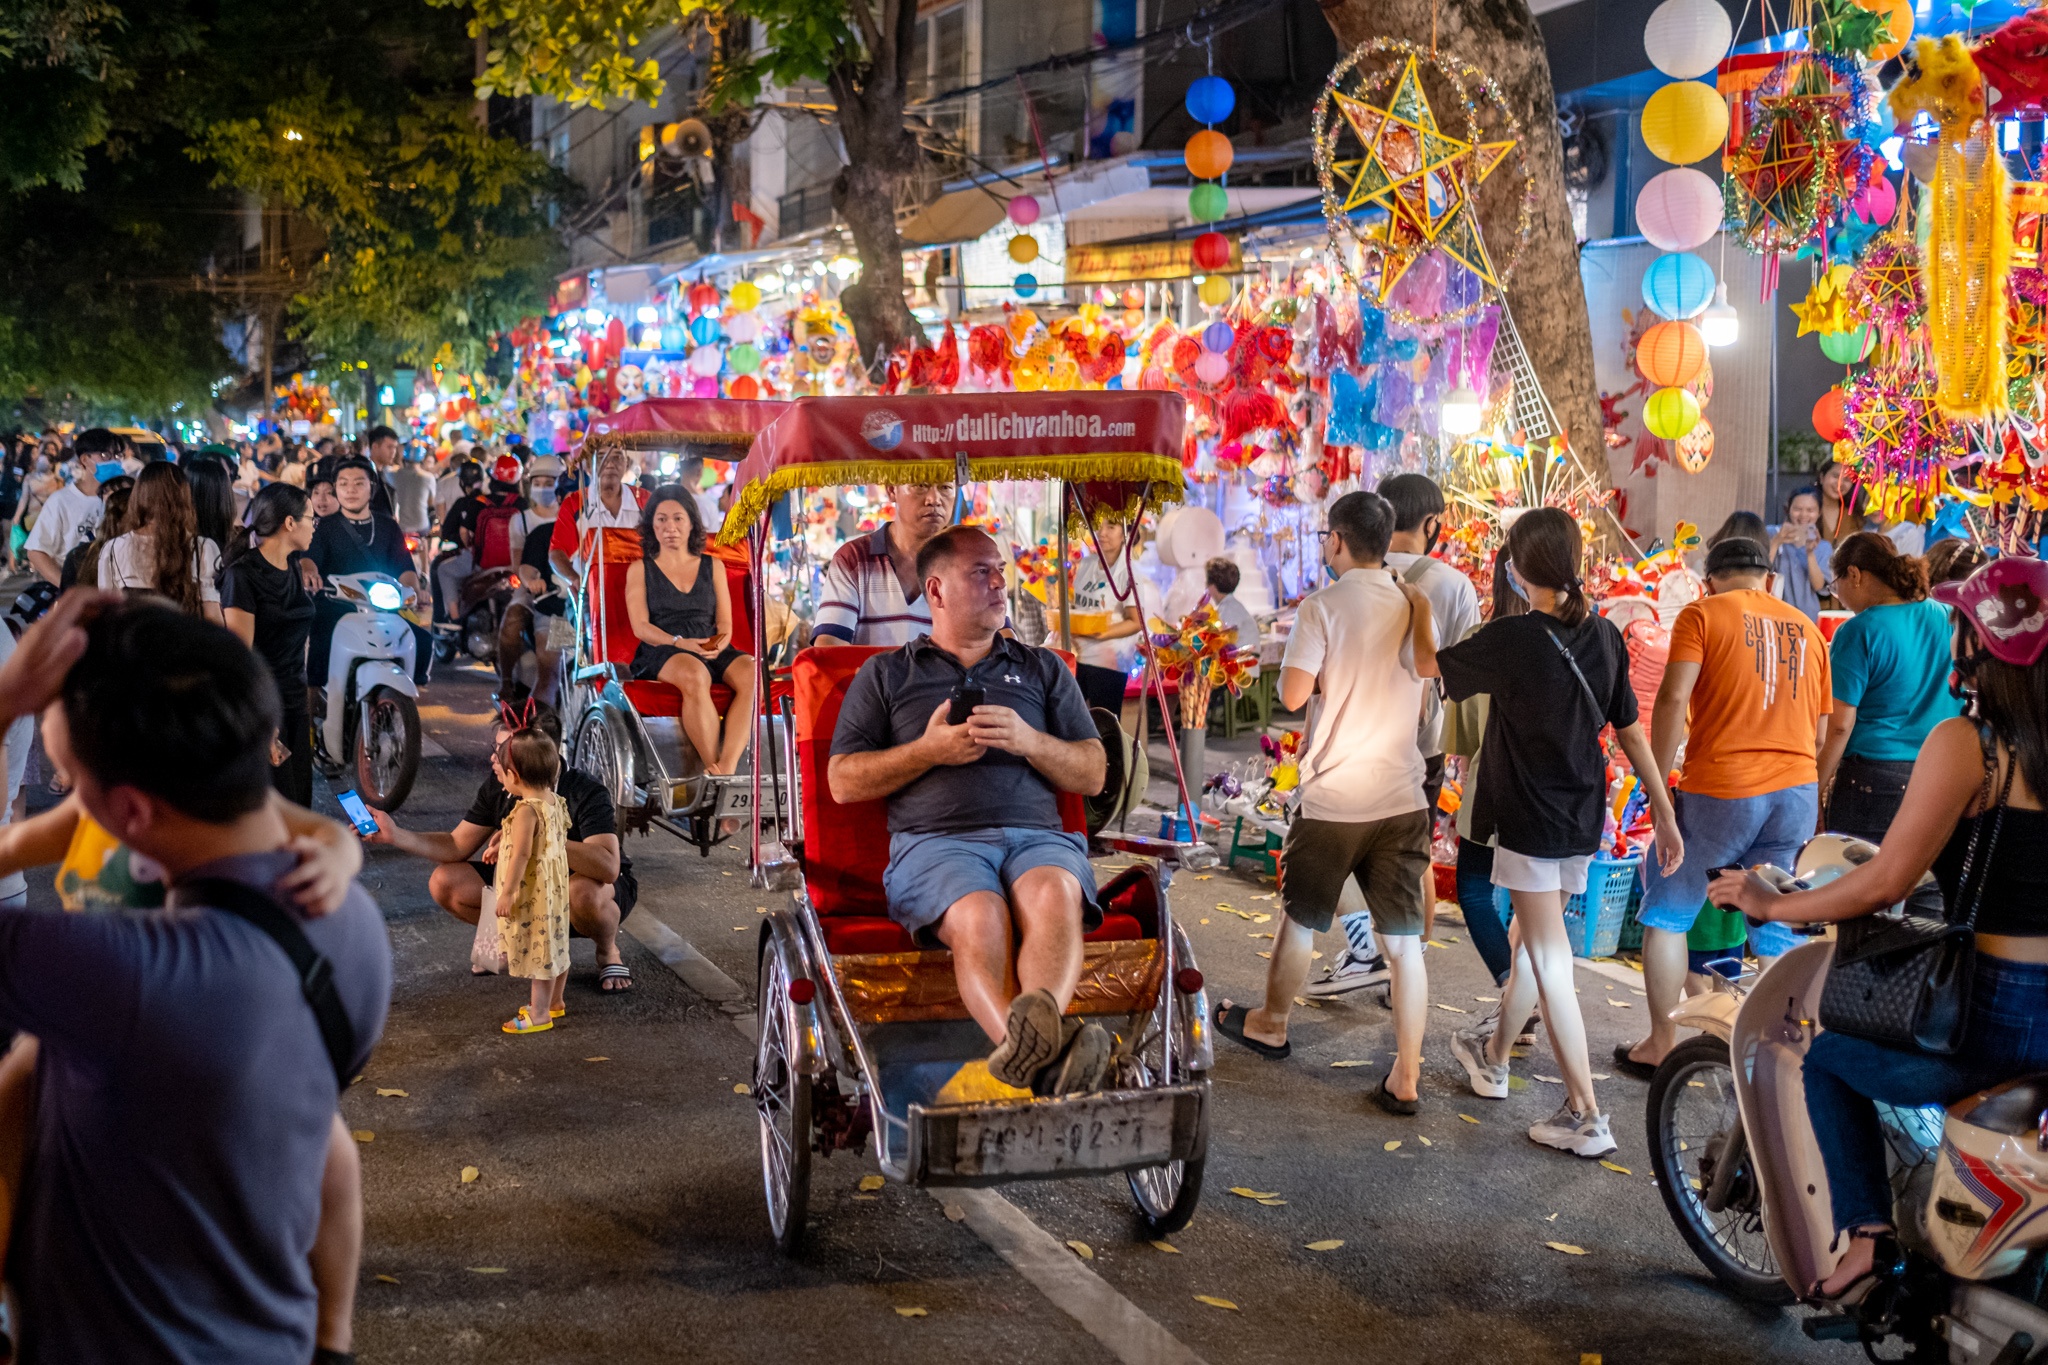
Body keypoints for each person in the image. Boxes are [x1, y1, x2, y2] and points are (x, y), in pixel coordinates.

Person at [0, 593, 390, 1362]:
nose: (65, 798)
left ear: (132, 812)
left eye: (70, 779)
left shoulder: (119, 976)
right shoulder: (354, 929)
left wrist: (6, 701)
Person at [1707, 552, 2048, 1302]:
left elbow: (1888, 878)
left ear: (1980, 647)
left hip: (1992, 1022)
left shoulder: (1974, 746)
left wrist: (1769, 905)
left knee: (1824, 1056)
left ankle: (1868, 1239)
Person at [828, 526, 1111, 1094]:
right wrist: (928, 752)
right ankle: (1050, 1060)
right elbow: (842, 781)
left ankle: (1031, 1052)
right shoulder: (886, 674)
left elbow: (1094, 772)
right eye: (981, 572)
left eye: (1000, 570)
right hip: (936, 844)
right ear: (936, 591)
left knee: (1055, 892)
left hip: (1037, 839)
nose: (999, 583)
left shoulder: (1041, 667)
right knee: (981, 916)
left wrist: (1030, 741)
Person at [1439, 509, 1682, 1156]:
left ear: (1517, 568)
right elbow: (1630, 729)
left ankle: (1587, 1113)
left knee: (1549, 959)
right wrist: (1662, 807)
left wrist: (1411, 598)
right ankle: (1492, 1056)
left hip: (1528, 817)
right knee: (1529, 945)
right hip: (1583, 816)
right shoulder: (1604, 634)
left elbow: (1427, 666)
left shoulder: (1513, 636)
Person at [1213, 492, 1441, 1113]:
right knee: (1403, 944)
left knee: (1302, 916)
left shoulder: (1322, 607)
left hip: (1336, 796)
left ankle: (1271, 1023)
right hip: (1401, 793)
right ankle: (1408, 1075)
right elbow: (1423, 689)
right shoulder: (1412, 604)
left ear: (1337, 541)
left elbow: (1290, 695)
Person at [1620, 534, 1832, 1076]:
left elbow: (1670, 697)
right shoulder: (1809, 629)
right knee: (1776, 920)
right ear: (1768, 579)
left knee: (1668, 914)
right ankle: (1781, 1055)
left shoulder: (1702, 614)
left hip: (1724, 788)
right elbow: (1824, 726)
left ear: (1710, 579)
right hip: (1797, 791)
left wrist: (1658, 782)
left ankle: (1661, 1043)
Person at [1311, 472, 1485, 995]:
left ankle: (1366, 947)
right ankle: (1406, 970)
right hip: (1419, 746)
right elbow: (1465, 676)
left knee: (1333, 848)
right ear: (1432, 523)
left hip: (1343, 743)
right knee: (1414, 862)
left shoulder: (1345, 578)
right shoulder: (1453, 585)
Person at [369, 706, 637, 993]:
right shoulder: (501, 785)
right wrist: (396, 835)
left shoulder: (585, 790)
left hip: (581, 889)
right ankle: (513, 942)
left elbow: (609, 867)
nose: (492, 759)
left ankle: (607, 951)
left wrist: (541, 838)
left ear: (537, 756)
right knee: (444, 882)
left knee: (583, 893)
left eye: (501, 751)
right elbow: (457, 843)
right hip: (531, 885)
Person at [1813, 533, 1958, 843]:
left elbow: (1839, 727)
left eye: (1834, 586)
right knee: (1922, 882)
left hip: (1873, 781)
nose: (1838, 597)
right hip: (1940, 772)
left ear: (1853, 574)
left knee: (1857, 879)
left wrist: (1814, 792)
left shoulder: (1858, 631)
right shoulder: (1947, 617)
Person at [625, 486, 755, 775]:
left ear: (692, 523)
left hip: (709, 642)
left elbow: (725, 623)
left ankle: (727, 767)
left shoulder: (714, 565)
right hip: (663, 647)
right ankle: (713, 768)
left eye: (677, 518)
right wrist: (680, 643)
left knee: (752, 673)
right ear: (651, 526)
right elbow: (641, 627)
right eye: (661, 519)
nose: (669, 527)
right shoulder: (639, 569)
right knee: (696, 675)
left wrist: (719, 644)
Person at [224, 484, 319, 805]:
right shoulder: (242, 576)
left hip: (295, 701)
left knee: (298, 802)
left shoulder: (293, 565)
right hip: (265, 707)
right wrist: (263, 724)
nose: (314, 526)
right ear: (289, 523)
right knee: (273, 809)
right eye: (311, 518)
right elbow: (239, 657)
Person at [304, 457, 423, 685]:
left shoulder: (388, 525)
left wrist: (414, 591)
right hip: (336, 605)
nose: (351, 490)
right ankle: (313, 708)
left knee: (419, 639)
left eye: (359, 483)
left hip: (382, 607)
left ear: (372, 488)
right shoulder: (324, 526)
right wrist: (309, 571)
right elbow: (310, 559)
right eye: (343, 484)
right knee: (320, 645)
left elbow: (405, 568)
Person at [490, 725, 572, 1035]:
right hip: (554, 891)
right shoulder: (553, 801)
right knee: (556, 944)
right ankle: (555, 1001)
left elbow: (523, 854)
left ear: (514, 775)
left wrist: (508, 892)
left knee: (541, 953)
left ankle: (539, 1014)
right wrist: (502, 840)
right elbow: (543, 841)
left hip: (533, 891)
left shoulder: (526, 810)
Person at [812, 481, 957, 649]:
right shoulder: (854, 559)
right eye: (920, 486)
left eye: (945, 487)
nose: (934, 499)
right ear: (891, 490)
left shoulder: (964, 564)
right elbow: (830, 646)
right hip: (868, 675)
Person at [97, 461, 225, 624]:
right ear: (183, 496)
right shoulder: (203, 548)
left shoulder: (113, 548)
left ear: (139, 496)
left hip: (134, 644)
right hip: (185, 645)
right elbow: (212, 616)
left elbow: (108, 612)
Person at [1046, 511, 1145, 714]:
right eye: (1100, 525)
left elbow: (1136, 622)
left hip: (1108, 661)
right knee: (1069, 718)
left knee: (1103, 723)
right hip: (1078, 656)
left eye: (1111, 527)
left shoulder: (1128, 571)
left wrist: (1101, 633)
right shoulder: (1087, 564)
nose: (1102, 532)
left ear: (1125, 533)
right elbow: (1082, 607)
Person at [549, 447, 649, 586]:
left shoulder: (645, 500)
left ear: (626, 464)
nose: (609, 464)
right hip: (592, 592)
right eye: (601, 457)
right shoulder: (574, 504)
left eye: (617, 457)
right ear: (589, 467)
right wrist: (574, 579)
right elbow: (557, 553)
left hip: (640, 590)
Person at [22, 431, 110, 584]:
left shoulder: (125, 499)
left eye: (118, 456)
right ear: (84, 459)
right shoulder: (62, 500)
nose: (113, 461)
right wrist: (68, 588)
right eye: (105, 455)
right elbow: (36, 551)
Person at [61, 473, 132, 590]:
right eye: (105, 492)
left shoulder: (148, 548)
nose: (110, 496)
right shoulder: (81, 555)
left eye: (121, 493)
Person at [1771, 488, 1831, 621]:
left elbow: (1818, 586)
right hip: (1774, 614)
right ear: (1788, 509)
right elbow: (1760, 573)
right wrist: (1775, 543)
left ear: (1819, 513)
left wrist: (1810, 553)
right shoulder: (1771, 533)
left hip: (1808, 617)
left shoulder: (1823, 547)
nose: (1804, 515)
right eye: (1797, 509)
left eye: (1810, 510)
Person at [1203, 557, 1260, 650]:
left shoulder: (1228, 610)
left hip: (1242, 663)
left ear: (1212, 585)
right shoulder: (1231, 606)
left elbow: (1220, 641)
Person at [359, 425, 401, 519]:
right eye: (389, 447)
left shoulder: (384, 474)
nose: (393, 452)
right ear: (375, 446)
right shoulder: (365, 475)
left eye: (395, 448)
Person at [1818, 461, 1863, 542]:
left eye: (1847, 479)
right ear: (1822, 478)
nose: (1840, 483)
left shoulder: (1854, 516)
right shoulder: (1805, 511)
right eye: (1835, 476)